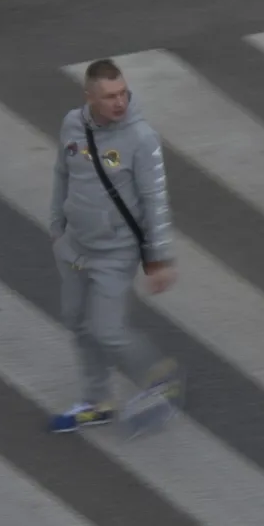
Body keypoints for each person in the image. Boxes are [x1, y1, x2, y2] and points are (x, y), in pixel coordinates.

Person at [48, 59, 182, 433]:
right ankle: (96, 402)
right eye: (109, 96)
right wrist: (56, 225)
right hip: (74, 248)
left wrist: (158, 259)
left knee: (106, 330)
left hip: (115, 253)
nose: (119, 102)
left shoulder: (141, 138)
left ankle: (157, 377)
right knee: (77, 322)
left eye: (122, 93)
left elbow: (155, 200)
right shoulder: (72, 124)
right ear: (89, 96)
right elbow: (62, 172)